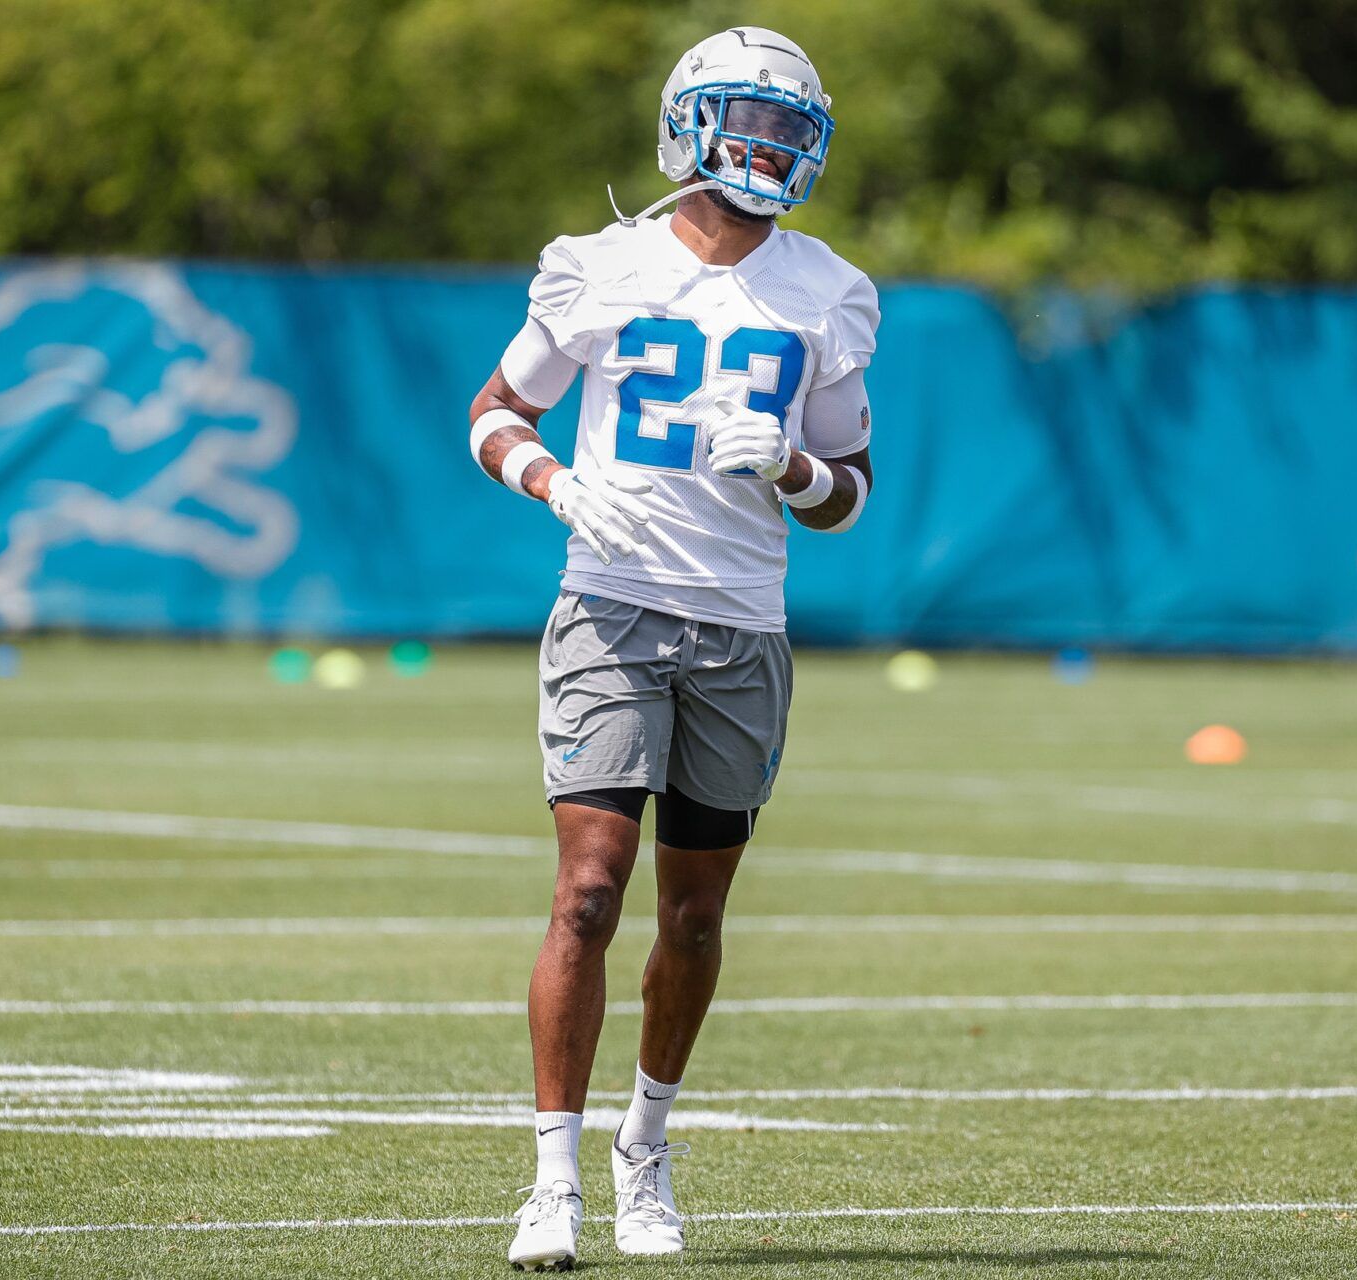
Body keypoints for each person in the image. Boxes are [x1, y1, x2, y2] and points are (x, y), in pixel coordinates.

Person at [466, 26, 879, 1271]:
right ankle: (552, 1182)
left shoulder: (832, 289)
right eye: (747, 122)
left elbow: (852, 487)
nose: (767, 147)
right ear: (691, 127)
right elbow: (496, 409)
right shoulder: (594, 266)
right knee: (589, 891)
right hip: (612, 598)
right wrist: (546, 477)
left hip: (743, 621)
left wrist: (799, 466)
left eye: (787, 128)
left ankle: (646, 1150)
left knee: (692, 915)